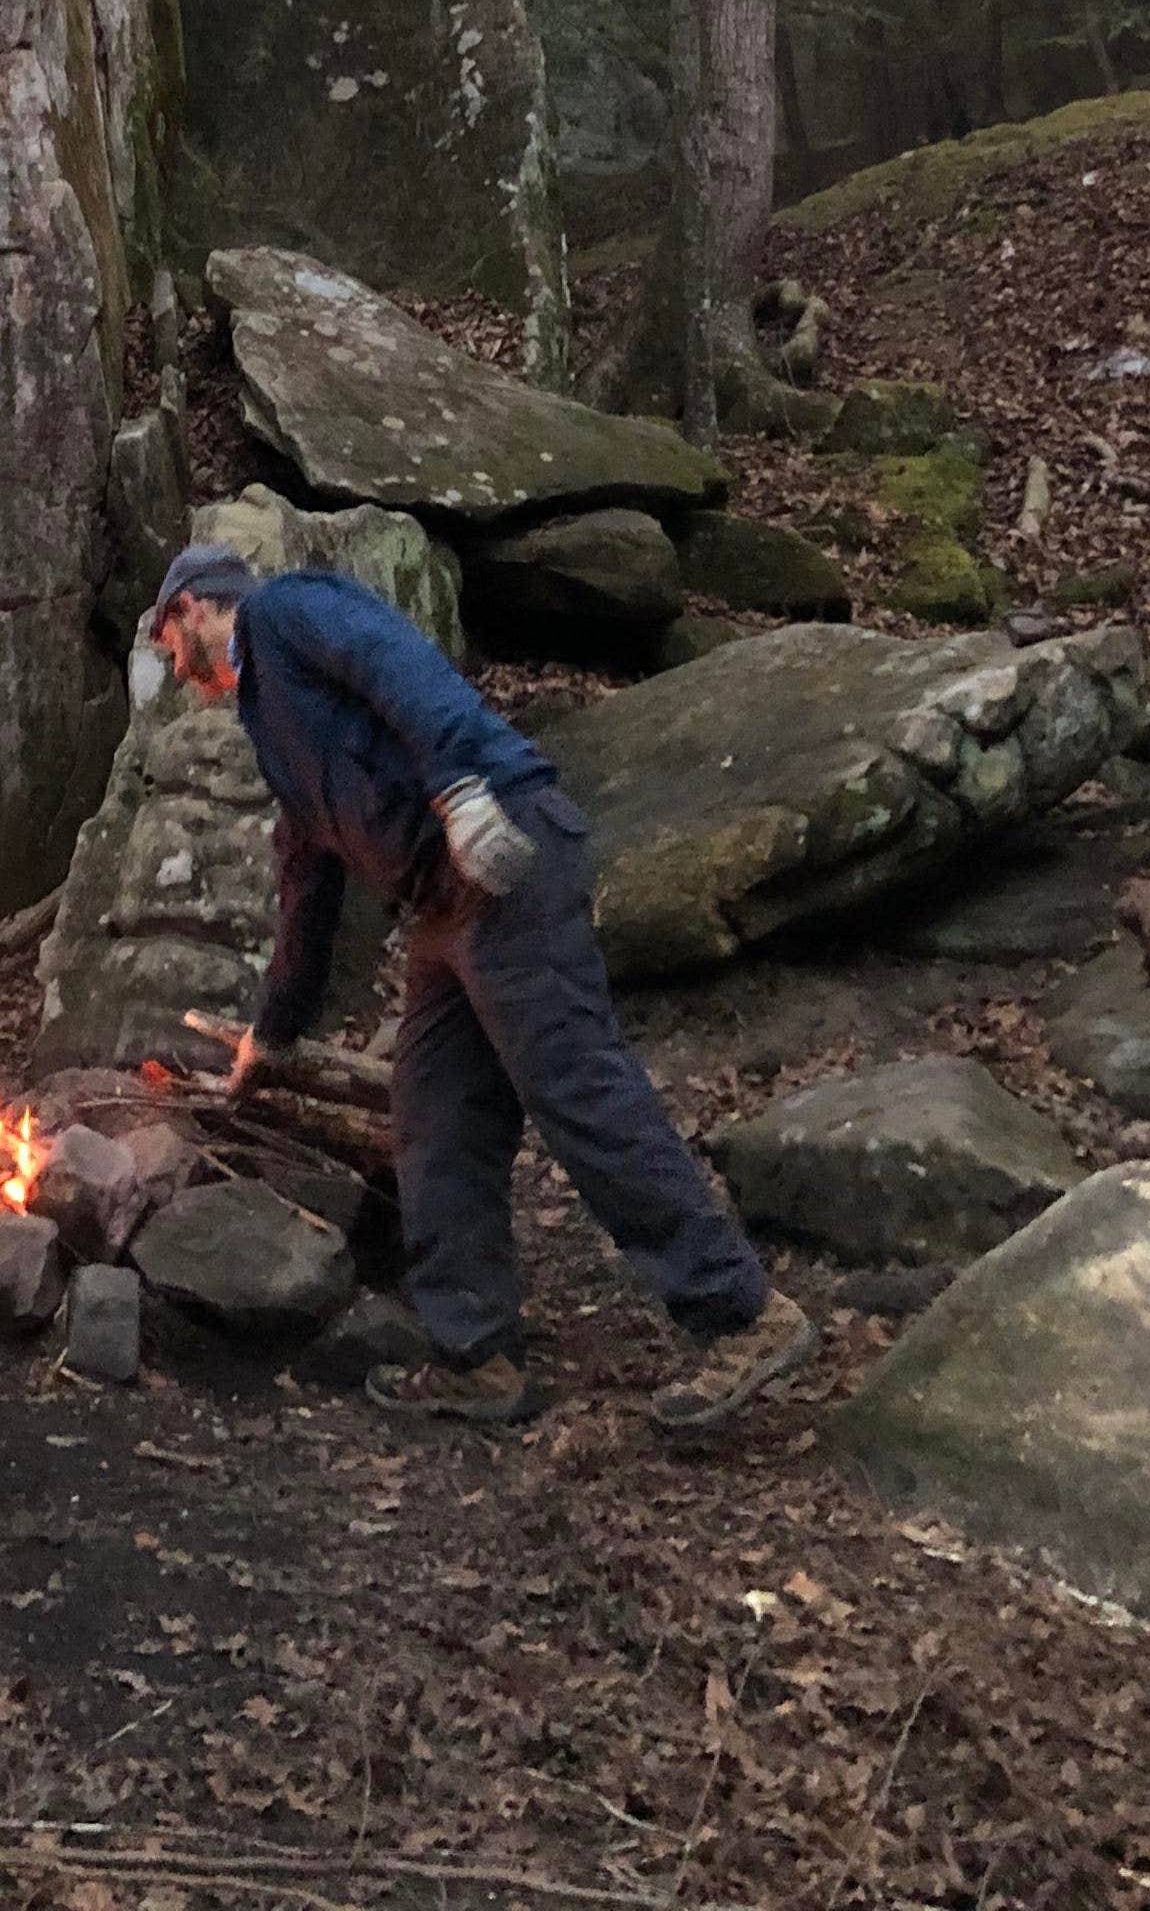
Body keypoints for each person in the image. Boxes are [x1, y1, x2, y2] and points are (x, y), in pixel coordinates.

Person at [141, 542, 814, 1435]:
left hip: (501, 851)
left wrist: (462, 787)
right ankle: (478, 1355)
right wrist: (275, 1031)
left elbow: (398, 665)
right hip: (441, 902)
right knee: (437, 1114)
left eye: (164, 641)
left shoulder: (289, 611)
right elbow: (307, 873)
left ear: (189, 608)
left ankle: (741, 1313)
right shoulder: (271, 721)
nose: (172, 667)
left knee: (574, 1083)